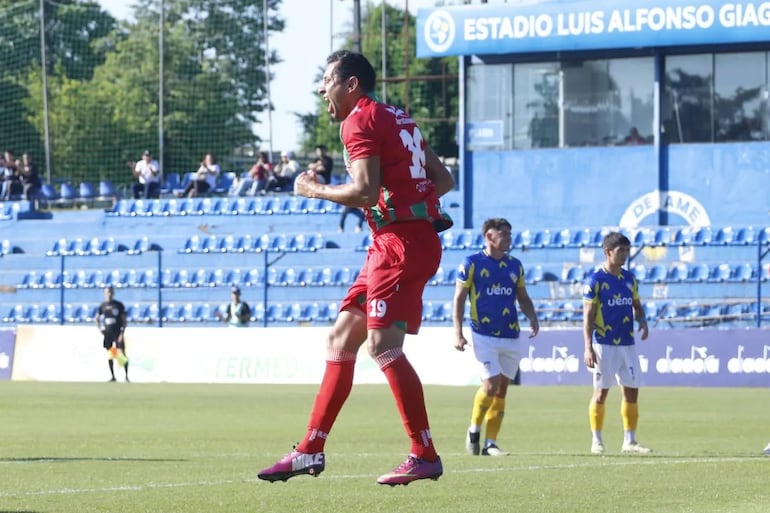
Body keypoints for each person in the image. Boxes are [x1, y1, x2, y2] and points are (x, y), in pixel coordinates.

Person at [257, 50, 455, 486]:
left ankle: (424, 453)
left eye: (326, 82)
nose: (321, 91)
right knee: (342, 336)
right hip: (397, 240)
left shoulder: (358, 120)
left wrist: (314, 189)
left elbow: (365, 192)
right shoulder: (398, 118)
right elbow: (443, 181)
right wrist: (408, 203)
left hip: (398, 243)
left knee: (382, 346)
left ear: (351, 85)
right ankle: (309, 450)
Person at [453, 218, 540, 457]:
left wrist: (532, 317)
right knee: (490, 385)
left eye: (510, 234)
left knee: (502, 390)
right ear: (489, 236)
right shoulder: (472, 263)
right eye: (503, 234)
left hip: (510, 333)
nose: (508, 238)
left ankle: (491, 442)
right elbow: (459, 298)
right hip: (483, 333)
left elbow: (522, 296)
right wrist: (458, 332)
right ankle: (474, 429)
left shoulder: (515, 266)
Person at [583, 231, 650, 455]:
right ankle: (597, 440)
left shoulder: (629, 279)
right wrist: (588, 346)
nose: (624, 256)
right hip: (604, 344)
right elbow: (588, 316)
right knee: (601, 392)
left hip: (627, 344)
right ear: (607, 252)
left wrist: (642, 321)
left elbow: (637, 305)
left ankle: (630, 441)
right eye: (621, 251)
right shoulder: (596, 281)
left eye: (627, 251)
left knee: (631, 392)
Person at [94, 285, 129, 382]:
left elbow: (124, 320)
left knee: (121, 354)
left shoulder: (118, 305)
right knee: (110, 354)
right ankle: (113, 376)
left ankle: (126, 376)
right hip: (108, 333)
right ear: (104, 294)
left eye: (110, 292)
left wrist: (122, 333)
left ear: (113, 293)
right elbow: (97, 318)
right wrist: (99, 328)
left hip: (117, 332)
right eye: (107, 292)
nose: (109, 294)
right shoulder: (103, 305)